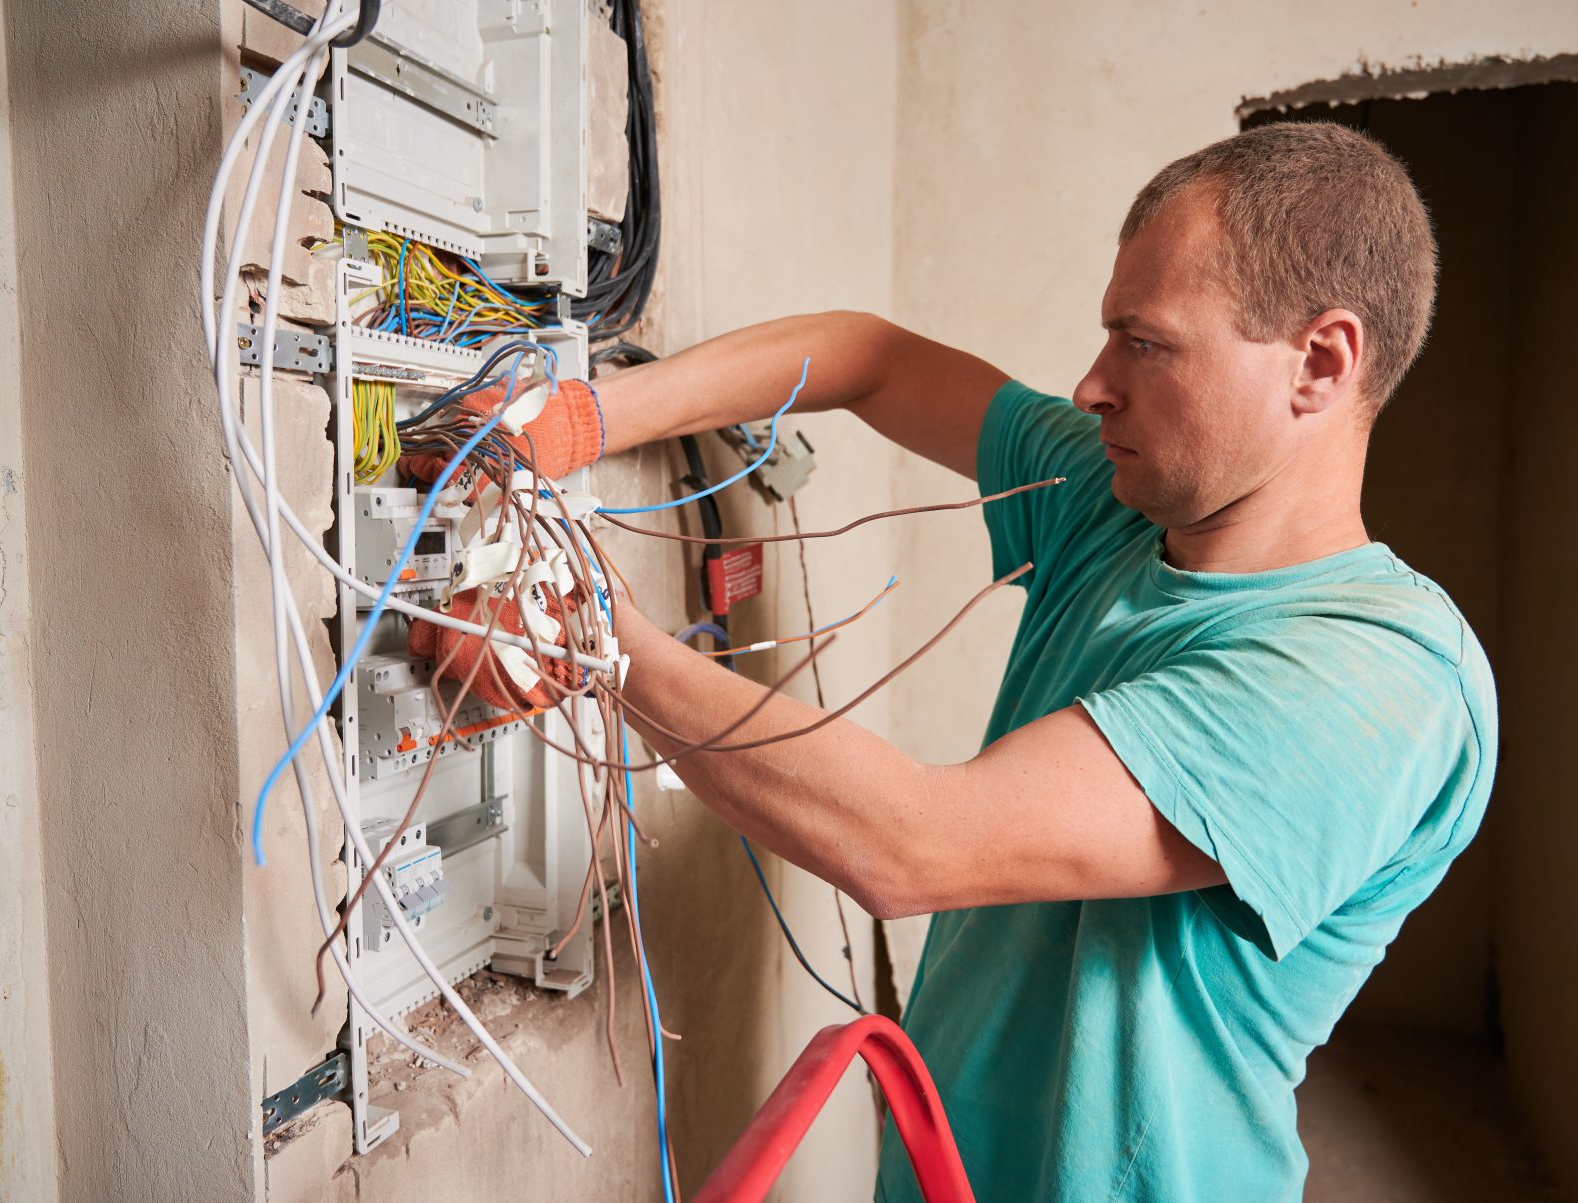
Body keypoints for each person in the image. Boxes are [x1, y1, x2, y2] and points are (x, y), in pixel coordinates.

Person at [556, 122, 1495, 1200]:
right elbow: (872, 357)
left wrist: (593, 639)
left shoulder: (1377, 682)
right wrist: (579, 418)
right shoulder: (1113, 505)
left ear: (1319, 364)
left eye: (1146, 344)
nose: (1093, 385)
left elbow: (909, 847)